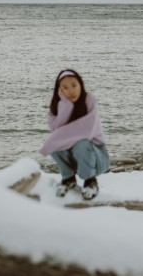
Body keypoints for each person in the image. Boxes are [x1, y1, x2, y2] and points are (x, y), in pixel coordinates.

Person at [40, 69, 110, 200]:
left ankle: (90, 181)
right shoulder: (57, 105)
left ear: (81, 85)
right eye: (65, 87)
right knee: (55, 144)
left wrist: (59, 136)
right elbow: (55, 129)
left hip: (96, 157)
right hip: (74, 159)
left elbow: (86, 131)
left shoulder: (89, 100)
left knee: (80, 143)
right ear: (59, 90)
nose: (70, 90)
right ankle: (69, 178)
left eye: (74, 85)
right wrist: (66, 105)